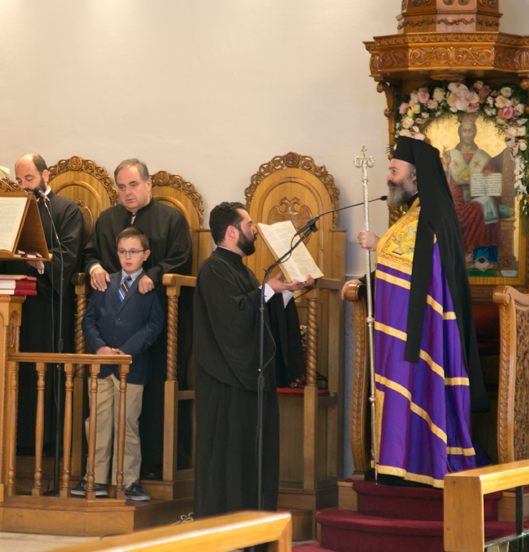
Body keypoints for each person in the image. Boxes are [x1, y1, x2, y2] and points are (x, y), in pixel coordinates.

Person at [342, 136, 488, 488]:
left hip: (429, 331)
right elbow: (412, 265)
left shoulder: (429, 215)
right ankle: (407, 461)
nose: (389, 178)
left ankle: (421, 461)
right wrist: (381, 251)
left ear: (415, 175)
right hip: (418, 327)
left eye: (394, 171)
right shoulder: (416, 215)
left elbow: (420, 268)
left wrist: (379, 246)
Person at [193, 202, 313, 517]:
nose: (255, 230)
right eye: (249, 225)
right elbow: (233, 319)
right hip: (226, 386)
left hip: (249, 384)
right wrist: (267, 291)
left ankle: (254, 527)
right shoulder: (213, 268)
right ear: (231, 232)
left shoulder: (241, 269)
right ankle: (225, 531)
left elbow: (259, 315)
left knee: (252, 460)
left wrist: (284, 293)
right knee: (229, 461)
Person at [82, 158, 191, 479]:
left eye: (133, 185)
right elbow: (90, 254)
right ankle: (99, 475)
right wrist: (95, 268)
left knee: (150, 399)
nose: (127, 192)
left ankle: (152, 468)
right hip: (107, 327)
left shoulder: (171, 219)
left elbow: (182, 259)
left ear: (148, 184)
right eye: (121, 186)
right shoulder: (106, 220)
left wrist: (154, 275)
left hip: (152, 326)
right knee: (100, 409)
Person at [74, 227, 163, 501]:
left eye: (133, 252)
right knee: (98, 423)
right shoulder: (105, 283)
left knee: (127, 425)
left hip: (131, 368)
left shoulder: (148, 287)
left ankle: (127, 481)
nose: (127, 257)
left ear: (145, 255)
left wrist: (125, 351)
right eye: (123, 251)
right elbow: (88, 320)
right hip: (102, 367)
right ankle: (96, 479)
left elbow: (154, 326)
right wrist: (99, 347)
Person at [7, 153, 85, 453]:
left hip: (47, 306)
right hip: (12, 306)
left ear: (46, 176)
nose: (24, 186)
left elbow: (68, 255)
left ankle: (47, 445)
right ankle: (17, 443)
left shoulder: (64, 210)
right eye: (19, 180)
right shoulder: (14, 209)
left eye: (29, 179)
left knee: (42, 374)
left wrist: (41, 264)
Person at [442, 113, 501, 260]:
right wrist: (445, 166)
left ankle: (482, 257)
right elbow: (443, 181)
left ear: (475, 133)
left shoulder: (483, 156)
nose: (467, 134)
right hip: (455, 195)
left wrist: (488, 174)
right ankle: (459, 256)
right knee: (453, 210)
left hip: (477, 195)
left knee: (488, 204)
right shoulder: (450, 155)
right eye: (464, 131)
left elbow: (492, 181)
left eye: (470, 131)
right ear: (459, 133)